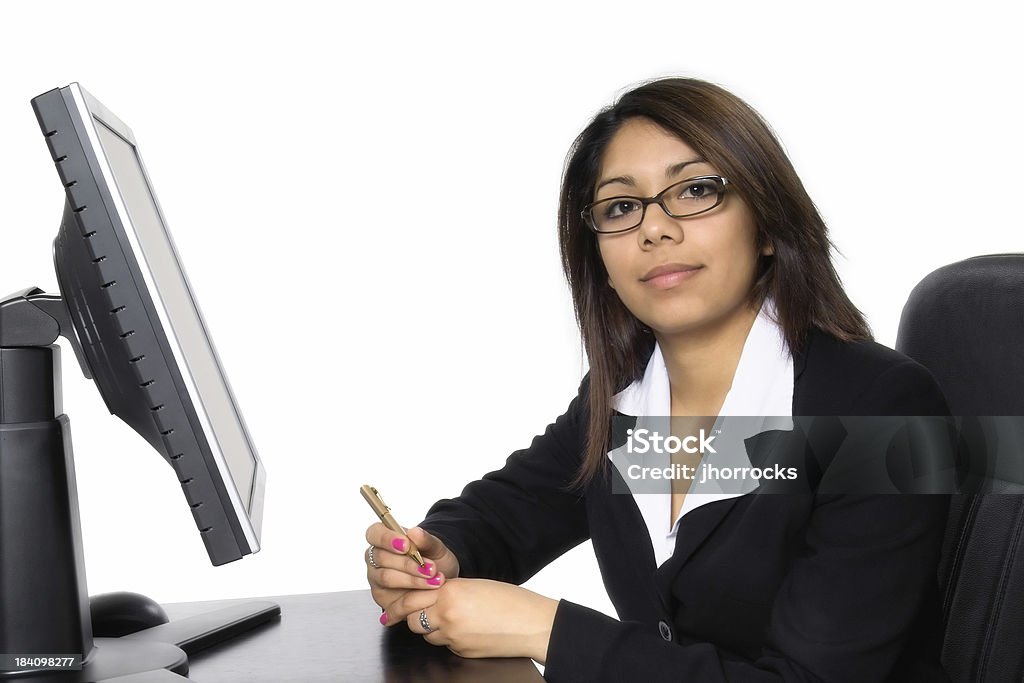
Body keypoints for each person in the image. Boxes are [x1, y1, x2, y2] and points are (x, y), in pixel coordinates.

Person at [363, 78, 951, 682]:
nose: (654, 229)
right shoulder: (629, 400)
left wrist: (549, 629)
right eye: (621, 207)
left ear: (769, 226)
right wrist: (436, 551)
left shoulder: (879, 412)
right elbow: (512, 511)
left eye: (696, 190)